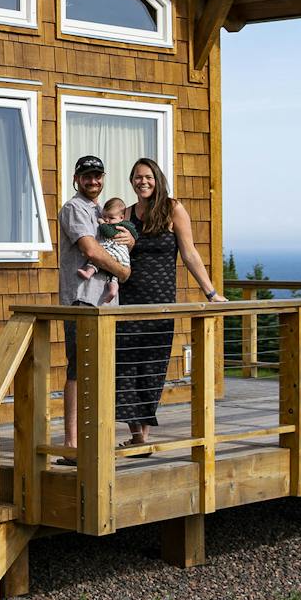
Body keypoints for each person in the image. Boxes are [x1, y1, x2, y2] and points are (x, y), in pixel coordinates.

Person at [116, 157, 220, 446]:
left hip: (161, 302)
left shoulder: (173, 209)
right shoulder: (125, 213)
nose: (143, 181)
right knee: (126, 366)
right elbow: (115, 255)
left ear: (157, 179)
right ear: (131, 181)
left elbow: (189, 254)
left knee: (152, 365)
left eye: (148, 176)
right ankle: (136, 436)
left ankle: (143, 436)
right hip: (130, 299)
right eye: (137, 177)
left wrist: (210, 292)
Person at [58, 156, 133, 463]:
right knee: (78, 370)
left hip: (105, 302)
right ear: (77, 178)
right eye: (87, 176)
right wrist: (123, 271)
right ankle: (72, 444)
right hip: (81, 300)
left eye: (97, 176)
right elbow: (89, 249)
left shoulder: (102, 212)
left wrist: (128, 240)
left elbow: (121, 240)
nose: (93, 181)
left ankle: (98, 438)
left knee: (102, 370)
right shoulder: (73, 208)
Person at [76, 197, 136, 304]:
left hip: (115, 252)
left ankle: (89, 272)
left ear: (121, 217)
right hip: (123, 258)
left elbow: (107, 232)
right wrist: (132, 238)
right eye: (104, 216)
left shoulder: (116, 226)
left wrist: (101, 222)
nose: (107, 220)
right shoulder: (128, 226)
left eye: (111, 218)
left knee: (97, 258)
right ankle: (113, 290)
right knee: (112, 275)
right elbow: (134, 233)